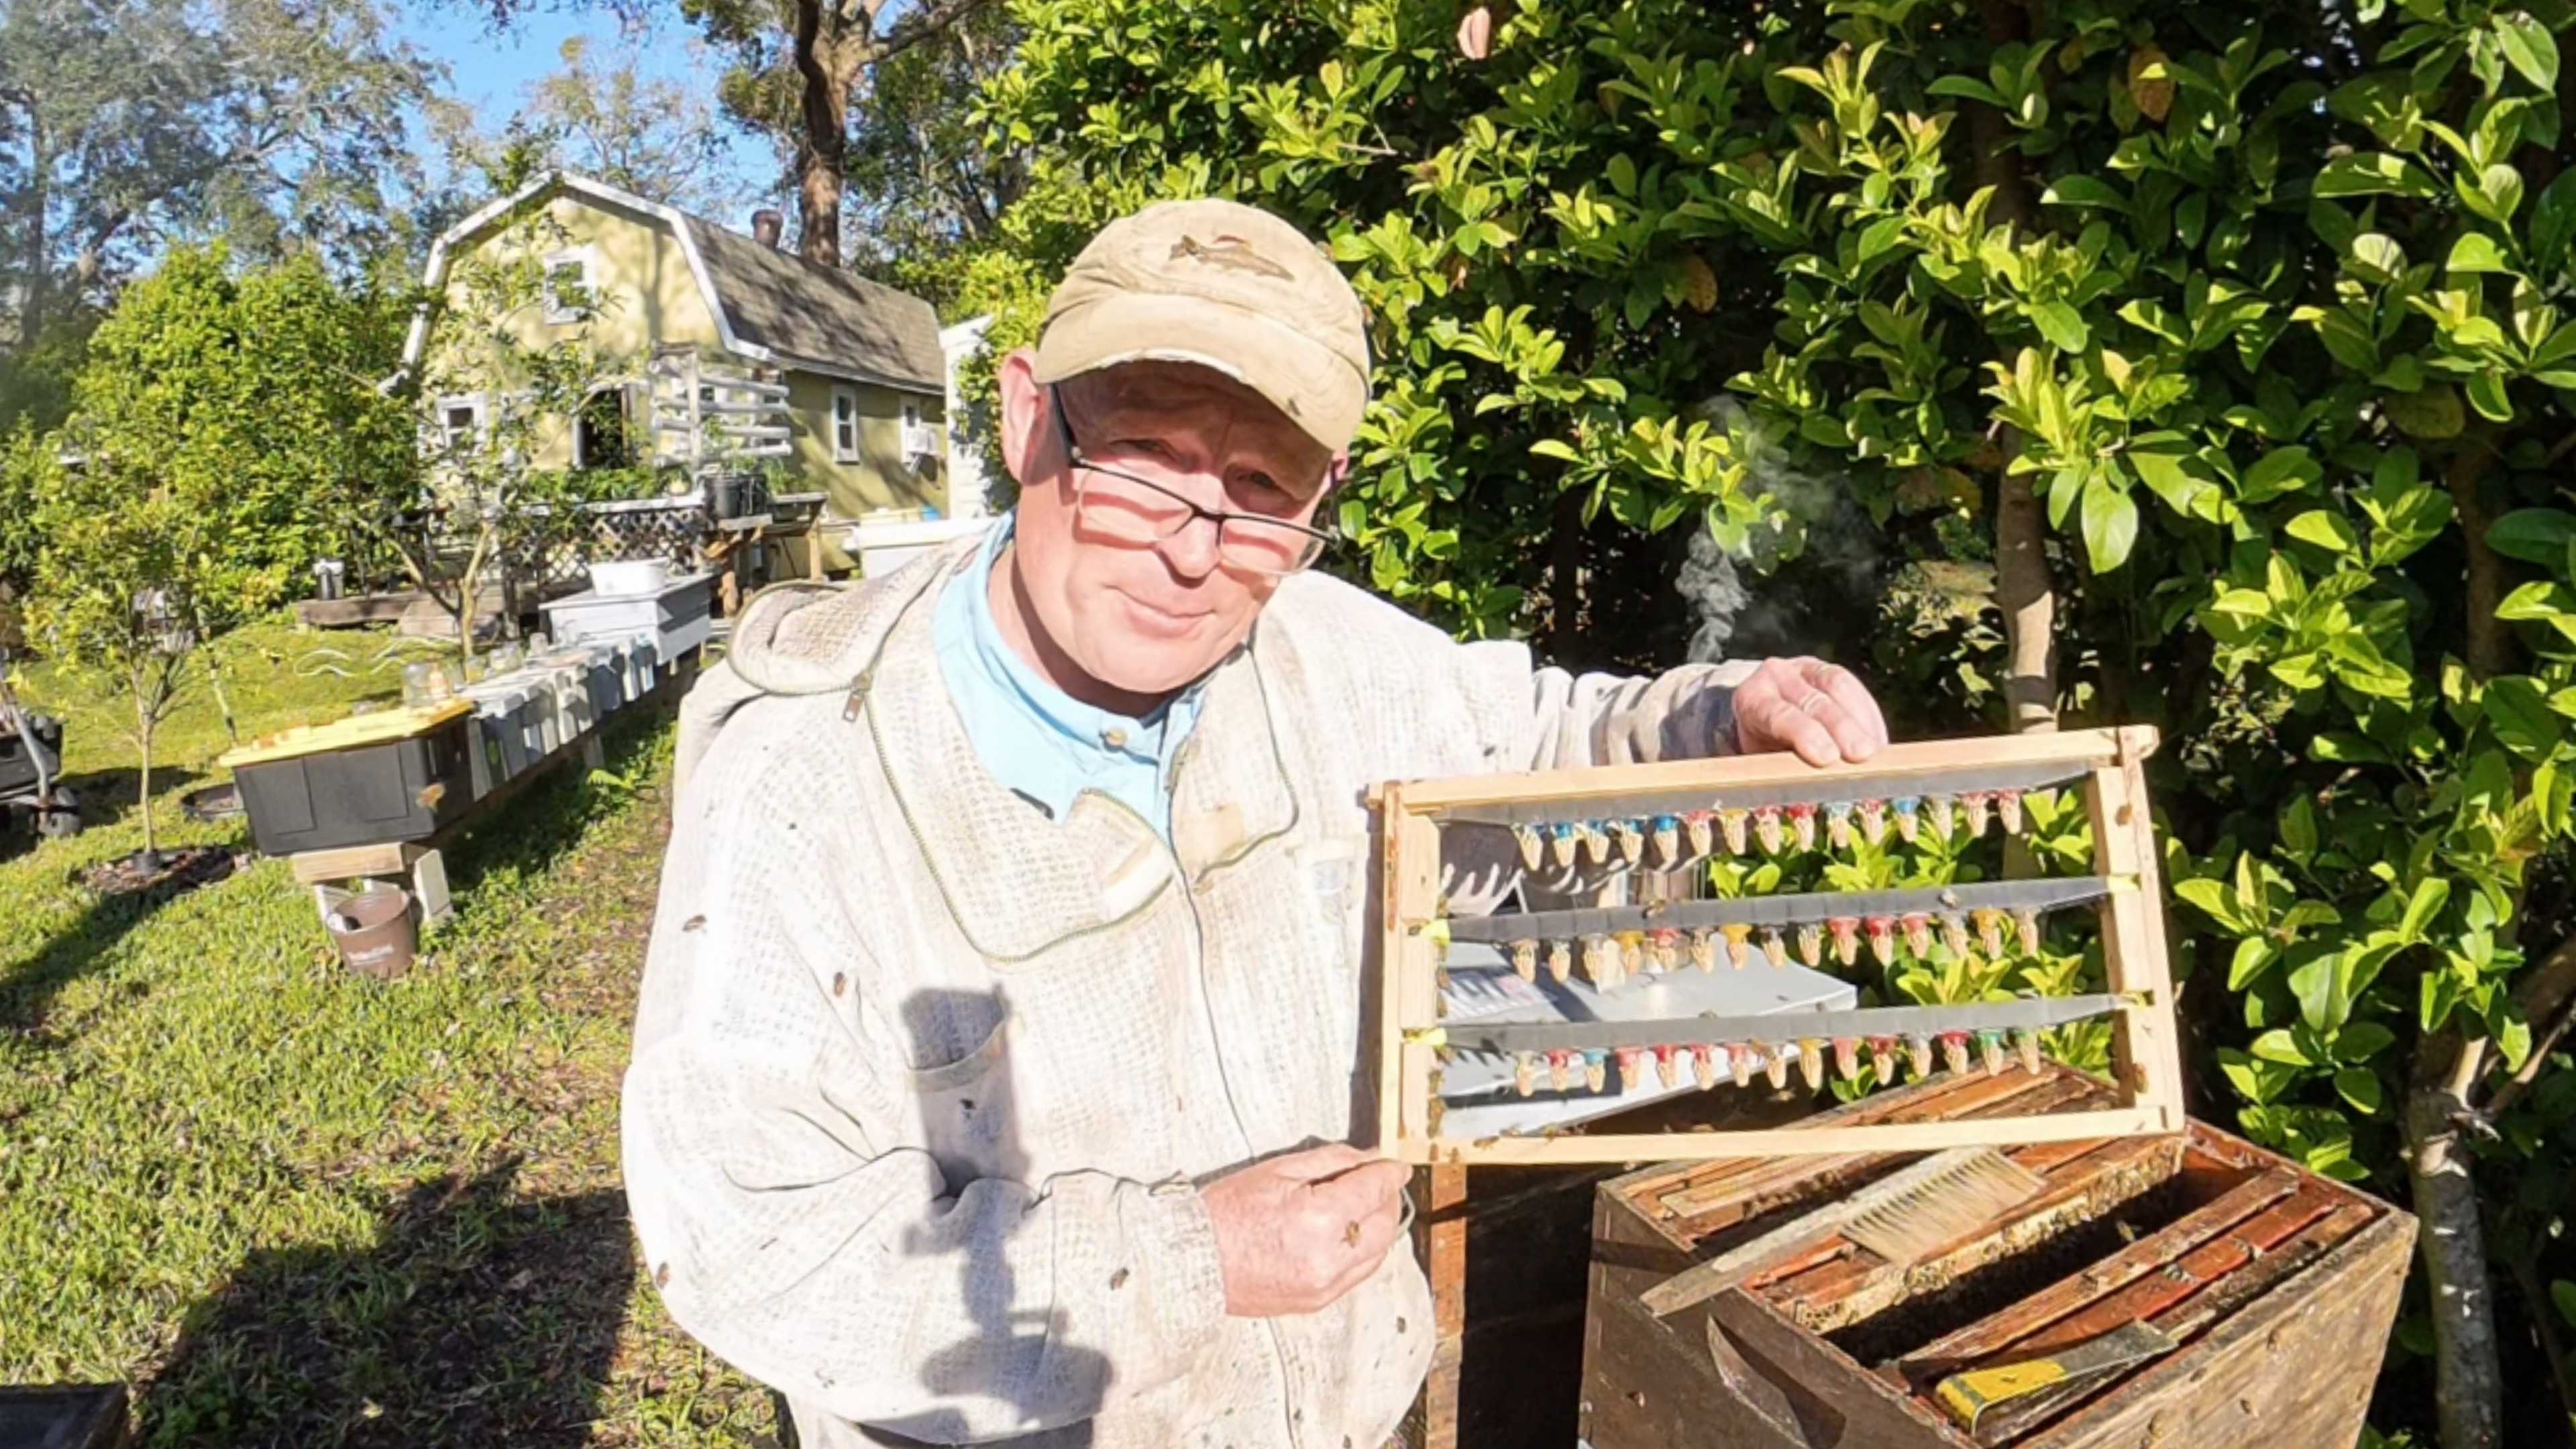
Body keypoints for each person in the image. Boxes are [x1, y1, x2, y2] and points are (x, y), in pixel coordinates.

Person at [621, 198, 1888, 1449]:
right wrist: (1196, 1259)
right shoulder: (807, 775)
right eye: (1142, 463)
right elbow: (758, 1242)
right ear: (1024, 418)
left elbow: (1542, 741)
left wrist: (1721, 724)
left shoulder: (1333, 653)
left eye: (1259, 487)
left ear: (1323, 490)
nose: (1194, 549)